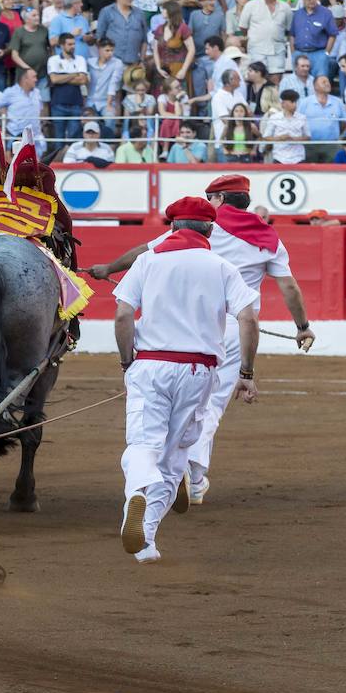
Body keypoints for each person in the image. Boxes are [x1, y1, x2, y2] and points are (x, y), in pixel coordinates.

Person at [110, 195, 260, 564]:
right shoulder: (222, 265)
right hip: (199, 371)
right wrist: (246, 373)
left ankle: (138, 495)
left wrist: (127, 361)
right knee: (175, 455)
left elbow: (123, 317)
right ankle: (146, 541)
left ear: (172, 227)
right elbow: (248, 320)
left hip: (151, 364)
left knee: (144, 444)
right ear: (210, 228)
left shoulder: (147, 261)